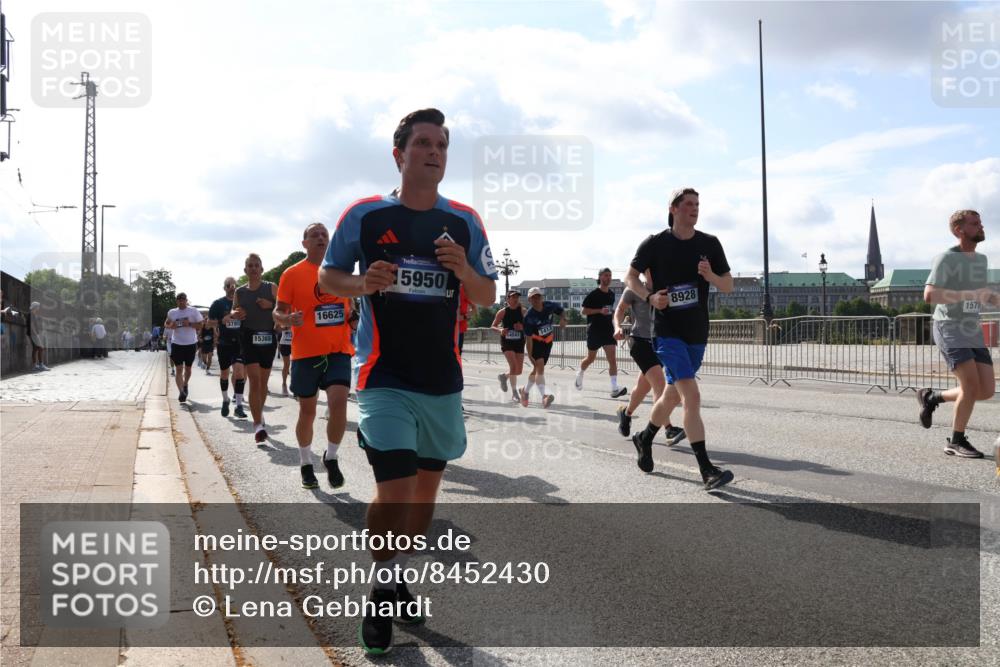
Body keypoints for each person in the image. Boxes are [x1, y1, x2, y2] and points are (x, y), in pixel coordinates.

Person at [319, 108, 498, 655]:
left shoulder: (464, 221)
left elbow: (487, 295)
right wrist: (361, 282)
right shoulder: (366, 216)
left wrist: (464, 270)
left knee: (422, 503)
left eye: (442, 144)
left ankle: (396, 574)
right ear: (400, 155)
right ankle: (378, 595)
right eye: (423, 142)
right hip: (382, 377)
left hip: (441, 382)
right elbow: (329, 278)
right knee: (393, 491)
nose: (435, 151)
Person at [626, 187, 735, 490]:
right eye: (688, 204)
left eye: (697, 204)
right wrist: (650, 297)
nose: (694, 208)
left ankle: (644, 437)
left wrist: (711, 276)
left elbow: (728, 285)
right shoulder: (655, 243)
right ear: (673, 209)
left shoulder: (709, 244)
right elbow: (630, 277)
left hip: (697, 332)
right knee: (692, 396)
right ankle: (707, 470)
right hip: (667, 333)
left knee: (672, 395)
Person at [275, 222, 355, 490]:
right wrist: (289, 319)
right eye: (314, 235)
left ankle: (331, 457)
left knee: (339, 403)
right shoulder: (292, 274)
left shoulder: (340, 272)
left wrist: (354, 318)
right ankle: (306, 462)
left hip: (338, 350)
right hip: (306, 352)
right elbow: (277, 312)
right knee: (307, 411)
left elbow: (350, 307)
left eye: (324, 234)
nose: (320, 237)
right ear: (304, 243)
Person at [916, 209, 998, 458]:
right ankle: (956, 441)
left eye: (981, 222)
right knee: (970, 386)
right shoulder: (946, 258)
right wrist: (966, 295)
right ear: (959, 230)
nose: (981, 226)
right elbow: (929, 295)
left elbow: (983, 294)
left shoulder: (980, 260)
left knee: (986, 390)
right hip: (949, 326)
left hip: (972, 329)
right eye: (975, 223)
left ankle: (933, 398)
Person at [614, 280, 686, 445]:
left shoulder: (666, 287)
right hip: (639, 342)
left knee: (642, 386)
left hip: (659, 343)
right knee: (659, 384)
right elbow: (619, 310)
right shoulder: (633, 289)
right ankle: (668, 429)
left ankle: (626, 413)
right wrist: (617, 327)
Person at [233, 254, 279, 443]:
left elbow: (286, 308)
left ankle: (258, 414)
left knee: (263, 383)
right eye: (250, 266)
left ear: (262, 269)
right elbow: (233, 311)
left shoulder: (271, 287)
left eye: (256, 265)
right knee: (254, 379)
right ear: (245, 270)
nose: (253, 268)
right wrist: (236, 313)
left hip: (268, 336)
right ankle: (258, 425)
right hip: (249, 336)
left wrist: (272, 305)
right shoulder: (240, 291)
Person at [575, 268, 627, 398]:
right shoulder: (593, 294)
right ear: (600, 277)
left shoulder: (611, 294)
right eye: (605, 275)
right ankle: (580, 373)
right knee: (591, 358)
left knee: (612, 360)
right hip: (594, 330)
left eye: (610, 275)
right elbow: (583, 311)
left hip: (608, 330)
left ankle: (614, 388)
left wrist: (617, 327)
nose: (608, 278)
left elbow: (612, 312)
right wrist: (599, 311)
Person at [208, 277, 248, 419]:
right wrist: (221, 321)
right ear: (224, 288)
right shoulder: (218, 304)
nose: (231, 287)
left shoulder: (243, 304)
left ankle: (238, 406)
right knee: (225, 374)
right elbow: (208, 323)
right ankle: (225, 399)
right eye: (228, 285)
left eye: (234, 285)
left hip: (239, 343)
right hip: (224, 343)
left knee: (239, 372)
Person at [521, 287, 566, 408]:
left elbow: (561, 311)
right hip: (536, 343)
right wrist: (529, 355)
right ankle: (544, 396)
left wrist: (563, 319)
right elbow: (528, 338)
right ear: (529, 300)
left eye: (538, 297)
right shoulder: (529, 317)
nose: (536, 299)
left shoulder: (549, 306)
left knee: (537, 370)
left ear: (542, 297)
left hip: (548, 342)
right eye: (533, 298)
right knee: (540, 368)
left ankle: (524, 391)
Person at [164, 293, 204, 402]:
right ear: (177, 301)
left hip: (190, 344)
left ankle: (185, 384)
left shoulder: (193, 311)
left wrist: (190, 324)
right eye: (179, 300)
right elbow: (166, 323)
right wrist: (171, 326)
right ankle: (181, 392)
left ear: (187, 300)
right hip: (177, 344)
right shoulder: (172, 312)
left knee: (188, 369)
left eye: (183, 300)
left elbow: (201, 325)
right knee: (179, 369)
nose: (181, 302)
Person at [492, 290, 526, 403]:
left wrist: (522, 327)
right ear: (508, 299)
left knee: (519, 370)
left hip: (519, 342)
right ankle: (515, 393)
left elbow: (530, 326)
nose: (516, 299)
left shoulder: (523, 311)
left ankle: (504, 377)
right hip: (507, 342)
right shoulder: (502, 312)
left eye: (517, 297)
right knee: (513, 366)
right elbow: (493, 326)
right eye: (513, 297)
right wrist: (500, 330)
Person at [28, 302, 50, 371]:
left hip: (33, 334)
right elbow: (31, 325)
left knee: (36, 349)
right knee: (40, 348)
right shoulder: (31, 314)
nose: (39, 308)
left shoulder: (33, 314)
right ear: (35, 307)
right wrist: (36, 334)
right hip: (33, 334)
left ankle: (35, 366)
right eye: (38, 306)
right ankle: (40, 365)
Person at [277, 324, 293, 396]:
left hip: (295, 343)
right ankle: (284, 385)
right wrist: (286, 327)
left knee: (295, 365)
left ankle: (295, 386)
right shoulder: (283, 314)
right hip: (284, 343)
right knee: (287, 365)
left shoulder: (298, 314)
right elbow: (276, 328)